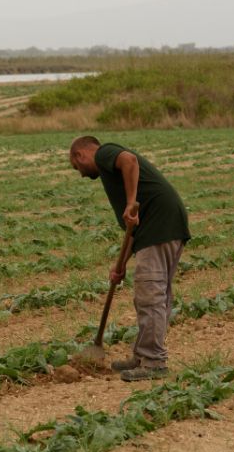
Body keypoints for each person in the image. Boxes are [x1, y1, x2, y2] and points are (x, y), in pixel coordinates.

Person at [69, 136, 190, 381]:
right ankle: (142, 356)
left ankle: (154, 362)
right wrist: (120, 266)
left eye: (76, 167)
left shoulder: (104, 154)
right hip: (161, 226)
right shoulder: (112, 177)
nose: (80, 174)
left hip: (159, 226)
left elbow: (130, 160)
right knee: (153, 295)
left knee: (150, 294)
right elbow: (131, 231)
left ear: (80, 155)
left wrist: (131, 200)